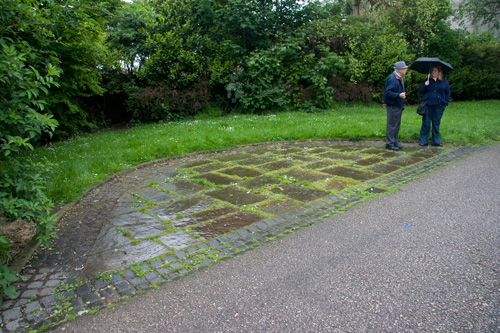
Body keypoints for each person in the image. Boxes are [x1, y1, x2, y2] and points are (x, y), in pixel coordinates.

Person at [418, 65, 451, 147]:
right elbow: (420, 91)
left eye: (435, 71)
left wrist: (445, 102)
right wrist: (425, 85)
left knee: (436, 123)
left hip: (439, 105)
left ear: (439, 72)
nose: (434, 72)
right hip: (428, 105)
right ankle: (423, 140)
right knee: (426, 122)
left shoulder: (444, 81)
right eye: (432, 71)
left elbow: (447, 93)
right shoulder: (428, 80)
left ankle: (436, 141)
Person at [384, 61, 408, 151]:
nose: (406, 69)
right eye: (404, 68)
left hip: (398, 105)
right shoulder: (392, 78)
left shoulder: (399, 78)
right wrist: (398, 95)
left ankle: (395, 141)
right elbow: (388, 93)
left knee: (396, 124)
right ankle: (389, 143)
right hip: (393, 105)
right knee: (392, 125)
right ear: (400, 69)